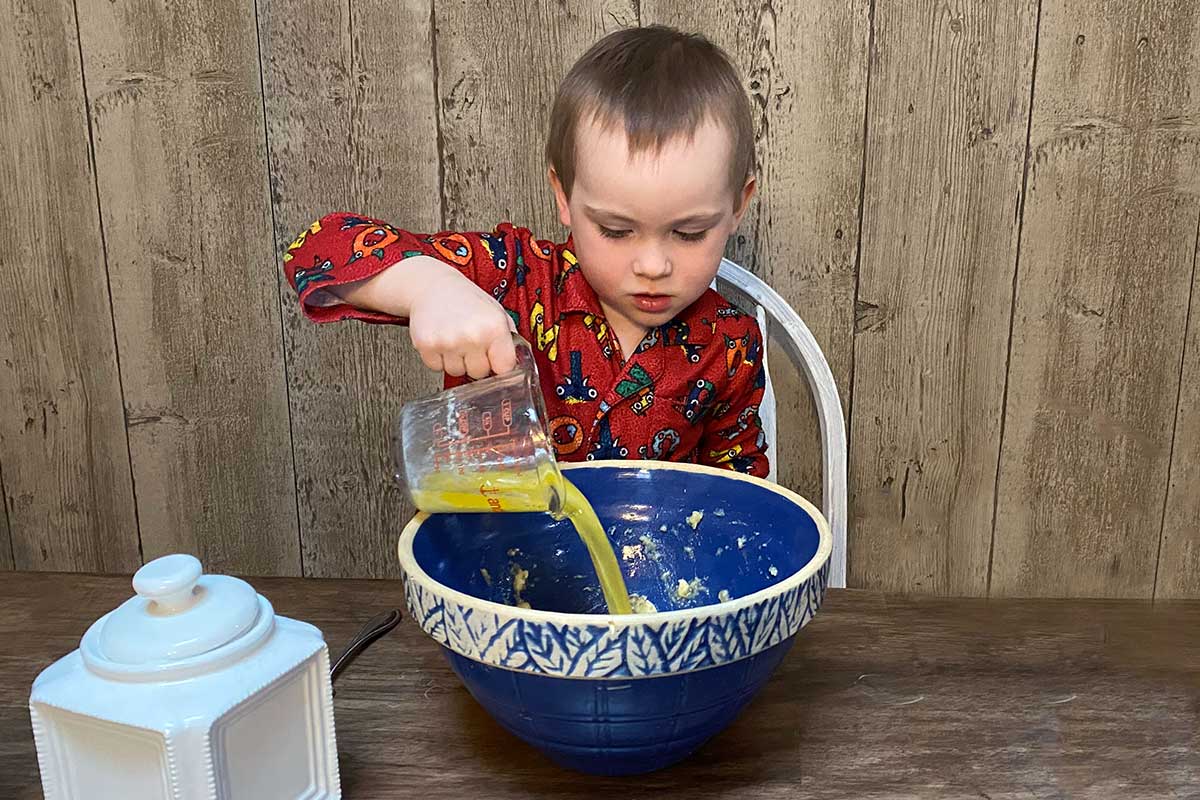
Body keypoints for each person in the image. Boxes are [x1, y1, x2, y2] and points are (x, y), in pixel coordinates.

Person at [283, 25, 769, 476]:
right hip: (487, 555)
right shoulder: (513, 277)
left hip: (651, 563)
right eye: (616, 231)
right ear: (564, 197)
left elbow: (738, 493)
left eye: (689, 234)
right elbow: (316, 248)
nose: (652, 266)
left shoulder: (730, 344)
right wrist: (428, 286)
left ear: (736, 206)